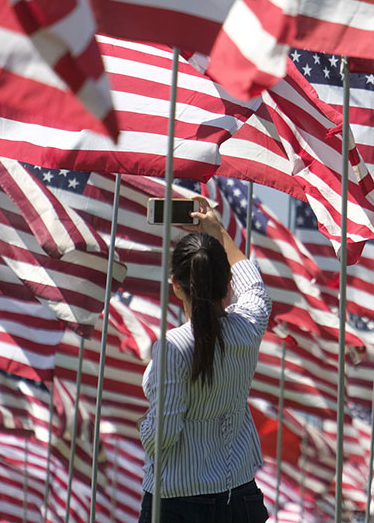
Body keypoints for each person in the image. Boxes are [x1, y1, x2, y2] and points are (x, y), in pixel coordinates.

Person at [138, 195, 272, 523]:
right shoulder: (248, 326)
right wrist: (219, 232)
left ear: (176, 286)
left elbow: (161, 437)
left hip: (178, 504)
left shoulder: (174, 346)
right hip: (239, 496)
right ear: (227, 284)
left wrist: (143, 426)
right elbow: (255, 287)